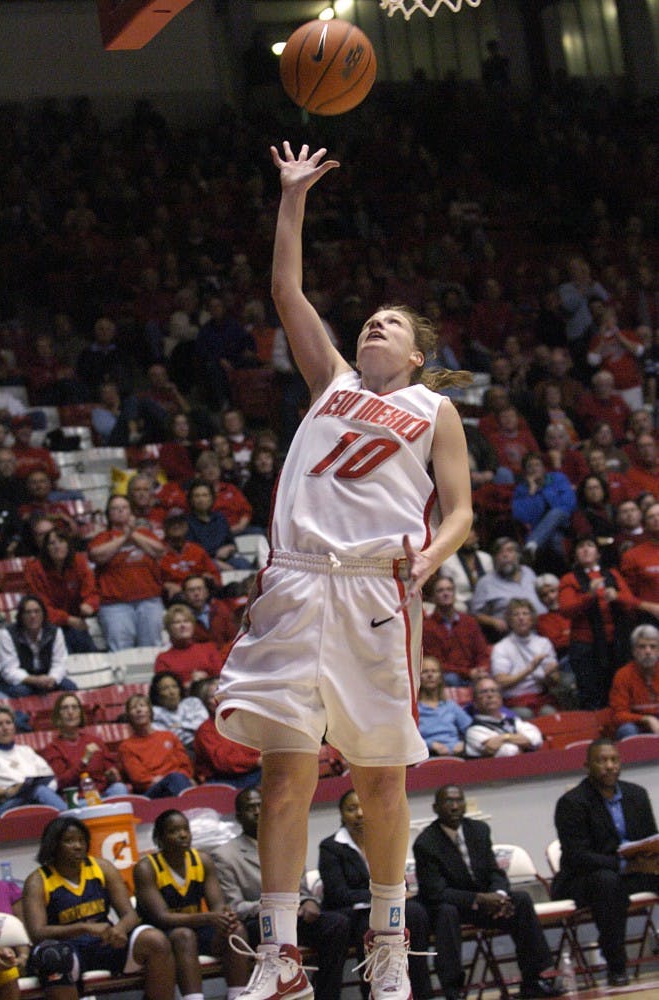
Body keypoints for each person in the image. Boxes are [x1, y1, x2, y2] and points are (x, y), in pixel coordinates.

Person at [215, 143, 473, 1000]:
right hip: (295, 581)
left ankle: (390, 939)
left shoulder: (434, 408)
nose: (374, 326)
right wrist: (291, 197)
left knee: (379, 779)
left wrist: (433, 557)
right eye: (370, 319)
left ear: (418, 352)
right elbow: (287, 291)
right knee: (283, 773)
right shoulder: (328, 381)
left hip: (375, 588)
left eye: (392, 324)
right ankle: (280, 954)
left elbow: (461, 510)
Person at [413, 785, 562, 1000]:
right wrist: (478, 899)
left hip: (486, 902)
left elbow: (494, 871)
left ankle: (535, 980)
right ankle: (453, 991)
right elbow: (435, 892)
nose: (455, 807)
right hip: (455, 906)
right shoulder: (426, 843)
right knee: (447, 912)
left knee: (520, 900)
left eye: (459, 801)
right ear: (436, 808)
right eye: (448, 802)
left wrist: (499, 894)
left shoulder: (479, 830)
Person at [212, 788, 351, 1000]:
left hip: (295, 918)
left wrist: (309, 901)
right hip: (257, 923)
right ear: (239, 817)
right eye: (251, 808)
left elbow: (302, 889)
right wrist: (275, 906)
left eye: (261, 806)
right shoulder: (224, 855)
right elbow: (235, 907)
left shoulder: (286, 843)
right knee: (255, 929)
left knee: (336, 924)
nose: (258, 812)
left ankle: (325, 995)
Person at [22, 815, 174, 1000]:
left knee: (155, 940)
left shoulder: (102, 868)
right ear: (53, 845)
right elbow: (37, 933)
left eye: (81, 840)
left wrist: (120, 929)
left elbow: (130, 914)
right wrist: (84, 927)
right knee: (54, 955)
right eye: (69, 841)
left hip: (104, 943)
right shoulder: (38, 881)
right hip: (67, 948)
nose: (78, 846)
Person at [551, 738, 659, 987]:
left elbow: (650, 838)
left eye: (614, 760)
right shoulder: (572, 802)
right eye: (602, 761)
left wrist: (649, 859)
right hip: (584, 879)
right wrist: (623, 865)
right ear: (587, 766)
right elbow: (577, 855)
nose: (610, 766)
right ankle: (616, 965)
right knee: (607, 883)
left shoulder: (637, 794)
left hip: (632, 872)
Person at [318, 789, 432, 999]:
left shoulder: (382, 839)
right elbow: (338, 894)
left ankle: (419, 989)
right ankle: (375, 991)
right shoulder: (331, 847)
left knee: (415, 912)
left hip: (384, 910)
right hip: (352, 914)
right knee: (370, 926)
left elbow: (400, 882)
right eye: (352, 809)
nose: (360, 813)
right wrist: (377, 898)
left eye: (363, 807)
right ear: (342, 815)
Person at [133, 809, 250, 1000]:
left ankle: (239, 996)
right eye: (173, 831)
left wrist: (224, 917)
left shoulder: (202, 860)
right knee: (183, 935)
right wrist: (208, 917)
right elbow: (163, 917)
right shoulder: (146, 868)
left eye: (185, 829)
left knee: (236, 930)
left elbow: (218, 904)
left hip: (197, 928)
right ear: (159, 839)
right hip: (162, 934)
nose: (182, 835)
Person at [558, 537, 637, 709]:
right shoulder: (569, 579)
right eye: (581, 547)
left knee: (618, 688)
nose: (585, 550)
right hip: (586, 646)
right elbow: (566, 610)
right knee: (591, 692)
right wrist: (589, 596)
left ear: (598, 553)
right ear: (575, 555)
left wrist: (617, 597)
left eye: (590, 546)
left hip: (615, 643)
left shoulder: (613, 574)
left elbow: (631, 603)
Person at [88, 495, 165, 651]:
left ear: (131, 512)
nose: (120, 511)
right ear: (108, 514)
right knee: (120, 651)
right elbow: (97, 555)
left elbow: (159, 551)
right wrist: (124, 537)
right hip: (115, 604)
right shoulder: (102, 537)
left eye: (124, 507)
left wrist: (133, 534)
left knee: (153, 649)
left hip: (149, 600)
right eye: (115, 508)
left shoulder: (145, 533)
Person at [24, 527, 99, 654]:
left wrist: (89, 604)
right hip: (48, 624)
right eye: (52, 543)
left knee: (85, 646)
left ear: (68, 544)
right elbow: (40, 605)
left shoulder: (79, 561)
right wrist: (67, 619)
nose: (57, 546)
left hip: (76, 621)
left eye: (61, 541)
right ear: (45, 548)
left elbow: (92, 591)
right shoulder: (34, 569)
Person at [40, 692, 128, 799]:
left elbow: (110, 768)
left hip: (102, 793)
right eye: (65, 708)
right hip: (78, 799)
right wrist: (84, 761)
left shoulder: (95, 741)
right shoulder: (52, 749)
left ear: (80, 713)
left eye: (74, 707)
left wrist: (112, 774)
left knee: (120, 788)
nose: (70, 712)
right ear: (58, 716)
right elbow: (61, 783)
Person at [490, 599, 561, 718]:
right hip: (514, 700)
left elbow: (555, 681)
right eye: (516, 614)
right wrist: (529, 669)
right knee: (526, 715)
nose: (521, 618)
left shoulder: (544, 643)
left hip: (540, 696)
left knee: (550, 714)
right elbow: (501, 682)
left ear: (532, 619)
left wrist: (549, 676)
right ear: (510, 621)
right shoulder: (501, 647)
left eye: (525, 613)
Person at [0, 595, 76, 699]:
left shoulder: (55, 632)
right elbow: (9, 670)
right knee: (22, 691)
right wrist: (34, 680)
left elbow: (60, 663)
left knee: (70, 687)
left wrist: (52, 679)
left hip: (46, 677)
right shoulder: (8, 634)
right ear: (21, 616)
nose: (33, 616)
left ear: (43, 614)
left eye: (37, 611)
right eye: (28, 612)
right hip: (20, 680)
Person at [117, 694, 194, 799]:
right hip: (151, 792)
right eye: (133, 708)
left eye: (142, 705)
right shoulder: (126, 747)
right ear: (129, 716)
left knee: (177, 779)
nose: (139, 710)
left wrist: (174, 777)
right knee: (175, 779)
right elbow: (138, 778)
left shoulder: (169, 736)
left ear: (150, 711)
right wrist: (162, 779)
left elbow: (185, 766)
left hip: (177, 781)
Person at [470, 537, 544, 643]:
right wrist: (493, 622)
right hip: (512, 637)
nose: (505, 555)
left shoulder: (528, 572)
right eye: (500, 552)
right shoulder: (486, 583)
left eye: (509, 550)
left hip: (542, 629)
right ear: (495, 558)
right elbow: (474, 615)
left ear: (517, 555)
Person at [0, 705, 66, 816]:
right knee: (39, 791)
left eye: (8, 723)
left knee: (39, 790)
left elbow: (50, 778)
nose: (5, 728)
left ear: (14, 727)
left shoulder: (26, 751)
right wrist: (9, 791)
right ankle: (71, 818)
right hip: (6, 803)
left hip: (37, 796)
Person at [193, 678, 262, 789]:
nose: (217, 699)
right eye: (212, 696)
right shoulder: (205, 730)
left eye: (222, 694)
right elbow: (223, 762)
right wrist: (255, 761)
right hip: (222, 779)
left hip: (253, 773)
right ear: (206, 702)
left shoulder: (246, 720)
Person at [422, 576, 490, 687]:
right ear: (433, 597)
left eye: (449, 590)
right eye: (440, 591)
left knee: (489, 679)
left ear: (455, 594)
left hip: (474, 674)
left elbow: (482, 652)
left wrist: (482, 669)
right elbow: (436, 663)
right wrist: (468, 673)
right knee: (451, 679)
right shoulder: (427, 627)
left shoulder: (469, 622)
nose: (446, 593)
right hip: (449, 676)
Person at [511, 453, 576, 568]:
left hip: (564, 523)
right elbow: (522, 516)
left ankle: (530, 545)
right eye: (530, 466)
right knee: (555, 539)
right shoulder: (521, 489)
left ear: (544, 467)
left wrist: (543, 490)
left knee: (556, 512)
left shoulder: (558, 478)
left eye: (537, 465)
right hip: (539, 528)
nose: (534, 469)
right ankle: (566, 570)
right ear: (525, 471)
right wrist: (531, 492)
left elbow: (568, 504)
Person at [464, 677, 543, 758]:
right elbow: (506, 751)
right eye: (483, 692)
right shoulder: (474, 730)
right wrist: (522, 741)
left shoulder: (515, 721)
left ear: (501, 698)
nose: (490, 695)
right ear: (475, 703)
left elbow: (535, 739)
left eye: (494, 691)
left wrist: (504, 738)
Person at [154, 604, 224, 691]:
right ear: (169, 628)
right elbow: (164, 690)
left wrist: (206, 680)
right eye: (177, 622)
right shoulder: (163, 659)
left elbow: (222, 678)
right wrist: (189, 685)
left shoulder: (209, 648)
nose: (183, 625)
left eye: (186, 621)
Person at [608, 624, 659, 738]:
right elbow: (618, 715)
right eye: (642, 647)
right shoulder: (623, 675)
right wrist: (647, 719)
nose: (648, 651)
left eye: (653, 646)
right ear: (634, 651)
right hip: (636, 724)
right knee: (627, 730)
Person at [159, 513, 222, 602]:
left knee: (233, 588)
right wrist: (165, 585)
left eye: (180, 523)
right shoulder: (157, 552)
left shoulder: (197, 550)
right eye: (171, 523)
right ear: (164, 529)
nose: (176, 526)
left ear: (186, 527)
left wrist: (210, 578)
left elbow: (216, 577)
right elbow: (152, 582)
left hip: (201, 591)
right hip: (177, 596)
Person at [417, 657, 472, 757]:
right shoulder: (414, 709)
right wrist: (430, 744)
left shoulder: (451, 706)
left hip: (456, 754)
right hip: (427, 756)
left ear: (440, 676)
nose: (430, 675)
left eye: (434, 671)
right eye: (425, 672)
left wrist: (464, 743)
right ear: (418, 677)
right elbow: (408, 738)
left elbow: (471, 729)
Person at [437, 525, 493, 613]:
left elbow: (491, 584)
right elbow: (447, 588)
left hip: (485, 602)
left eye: (470, 531)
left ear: (476, 536)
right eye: (463, 532)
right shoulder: (448, 562)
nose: (467, 535)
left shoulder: (486, 558)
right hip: (461, 604)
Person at [620, 502, 659, 624]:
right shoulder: (632, 555)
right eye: (651, 517)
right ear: (645, 524)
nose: (656, 519)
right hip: (650, 621)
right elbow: (626, 595)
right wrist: (649, 607)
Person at [149, 671, 208, 750]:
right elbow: (162, 737)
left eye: (175, 686)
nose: (172, 692)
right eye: (165, 688)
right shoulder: (155, 712)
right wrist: (191, 726)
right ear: (157, 694)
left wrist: (181, 725)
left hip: (202, 742)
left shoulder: (193, 702)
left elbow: (204, 725)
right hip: (176, 749)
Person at [181, 573, 239, 648]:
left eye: (199, 589)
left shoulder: (221, 610)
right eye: (191, 590)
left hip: (226, 656)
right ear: (184, 595)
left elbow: (233, 638)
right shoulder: (182, 619)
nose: (196, 593)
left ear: (206, 592)